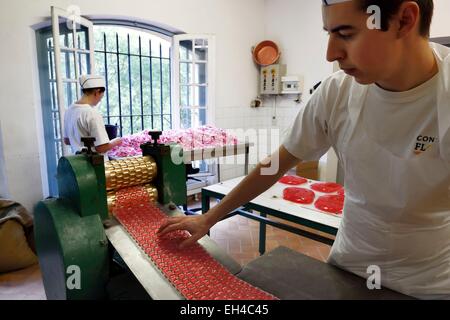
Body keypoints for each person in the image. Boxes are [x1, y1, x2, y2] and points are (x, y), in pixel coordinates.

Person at [158, 0, 450, 299]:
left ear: (404, 19)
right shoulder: (337, 92)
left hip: (428, 282)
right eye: (329, 34)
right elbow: (277, 163)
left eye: (346, 34)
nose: (331, 53)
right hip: (349, 266)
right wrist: (210, 217)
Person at [63, 74, 122, 158]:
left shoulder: (69, 110)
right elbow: (101, 147)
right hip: (94, 166)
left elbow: (67, 140)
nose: (100, 99)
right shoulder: (91, 113)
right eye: (101, 96)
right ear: (96, 92)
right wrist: (117, 141)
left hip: (77, 164)